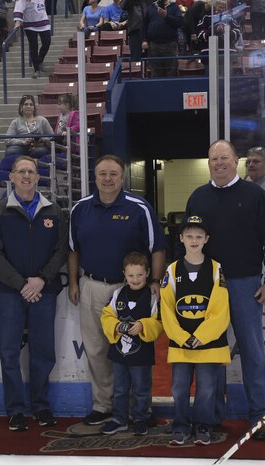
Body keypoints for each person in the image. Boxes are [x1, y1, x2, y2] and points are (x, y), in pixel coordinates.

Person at [182, 139, 265, 440]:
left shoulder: (255, 196)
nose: (219, 163)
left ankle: (259, 416)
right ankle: (210, 416)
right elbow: (186, 240)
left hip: (245, 285)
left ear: (236, 160)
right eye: (214, 159)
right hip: (206, 286)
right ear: (209, 162)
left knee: (252, 352)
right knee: (210, 353)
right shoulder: (198, 197)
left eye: (224, 158)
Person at [68, 154, 166, 426]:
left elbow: (157, 247)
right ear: (95, 176)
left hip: (129, 289)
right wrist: (75, 282)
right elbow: (73, 250)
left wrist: (155, 282)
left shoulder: (139, 207)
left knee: (132, 350)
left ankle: (136, 410)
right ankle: (104, 406)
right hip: (91, 286)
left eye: (113, 173)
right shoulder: (80, 209)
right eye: (102, 174)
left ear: (121, 177)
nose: (108, 179)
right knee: (97, 350)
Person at [0, 155, 68, 432]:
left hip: (44, 291)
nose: (26, 176)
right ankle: (15, 410)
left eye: (31, 172)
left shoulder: (53, 210)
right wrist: (21, 284)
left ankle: (41, 406)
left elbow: (60, 252)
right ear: (11, 177)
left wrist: (41, 280)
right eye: (21, 171)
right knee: (9, 352)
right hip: (10, 292)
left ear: (38, 177)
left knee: (43, 351)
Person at [160, 215, 230, 446]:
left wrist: (201, 336)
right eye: (189, 235)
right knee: (179, 388)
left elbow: (221, 309)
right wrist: (182, 337)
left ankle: (203, 425)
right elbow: (167, 308)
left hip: (208, 344)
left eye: (199, 236)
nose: (194, 240)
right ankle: (180, 425)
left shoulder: (215, 268)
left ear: (206, 239)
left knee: (207, 389)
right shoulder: (171, 270)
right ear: (180, 238)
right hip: (181, 345)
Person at [99, 251, 163, 436]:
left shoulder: (152, 296)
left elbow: (158, 322)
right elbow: (106, 316)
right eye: (131, 275)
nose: (135, 279)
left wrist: (143, 325)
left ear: (148, 273)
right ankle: (119, 419)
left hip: (141, 355)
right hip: (119, 354)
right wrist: (116, 326)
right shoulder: (118, 293)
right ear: (124, 275)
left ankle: (140, 418)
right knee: (119, 388)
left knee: (141, 389)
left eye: (140, 275)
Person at [142, 0, 182, 77]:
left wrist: (166, 17)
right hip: (153, 45)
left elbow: (179, 23)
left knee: (171, 71)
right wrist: (144, 40)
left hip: (170, 45)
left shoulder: (174, 7)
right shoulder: (151, 8)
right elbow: (144, 26)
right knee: (155, 73)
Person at [13, 0, 51, 78]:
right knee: (34, 46)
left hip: (43, 21)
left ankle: (39, 60)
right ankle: (36, 69)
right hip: (30, 24)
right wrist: (18, 21)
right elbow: (18, 8)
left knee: (47, 42)